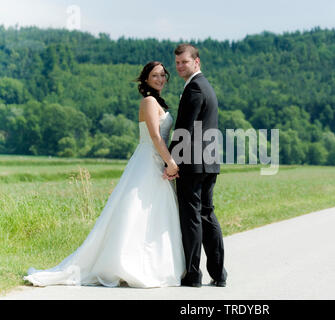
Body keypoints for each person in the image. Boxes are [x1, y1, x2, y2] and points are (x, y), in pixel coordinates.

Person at [24, 61, 186, 288]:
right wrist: (171, 163)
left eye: (162, 75)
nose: (160, 79)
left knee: (152, 214)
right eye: (155, 75)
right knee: (137, 212)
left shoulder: (157, 101)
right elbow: (156, 137)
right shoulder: (149, 101)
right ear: (146, 79)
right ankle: (125, 264)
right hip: (149, 161)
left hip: (157, 162)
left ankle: (152, 263)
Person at [166, 43, 227, 287]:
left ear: (196, 62)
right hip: (209, 162)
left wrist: (171, 161)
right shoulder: (206, 87)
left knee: (192, 217)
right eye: (178, 63)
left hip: (193, 163)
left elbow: (184, 129)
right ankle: (219, 274)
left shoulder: (194, 89)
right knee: (206, 214)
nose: (180, 66)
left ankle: (193, 275)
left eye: (185, 62)